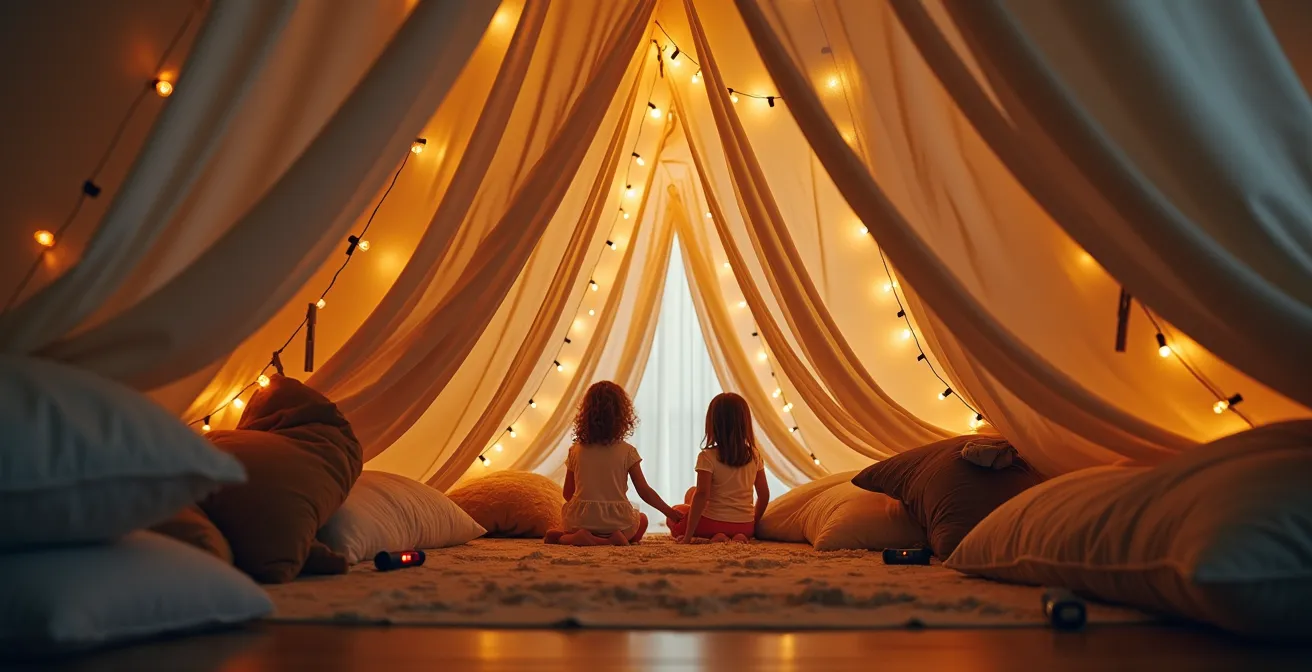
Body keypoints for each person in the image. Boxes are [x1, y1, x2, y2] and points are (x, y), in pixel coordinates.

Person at [545, 381, 683, 546]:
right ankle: (613, 539)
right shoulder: (627, 451)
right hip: (617, 522)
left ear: (585, 415)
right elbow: (644, 491)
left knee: (552, 535)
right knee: (643, 520)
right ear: (622, 416)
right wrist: (669, 512)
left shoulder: (575, 450)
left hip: (583, 521)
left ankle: (581, 538)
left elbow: (568, 493)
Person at [668, 392, 769, 544]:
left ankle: (717, 536)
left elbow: (702, 495)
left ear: (712, 423)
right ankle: (738, 537)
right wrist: (752, 523)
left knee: (675, 514)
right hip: (745, 526)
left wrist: (688, 536)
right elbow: (764, 495)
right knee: (691, 492)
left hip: (712, 523)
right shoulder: (755, 455)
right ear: (745, 423)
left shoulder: (707, 456)